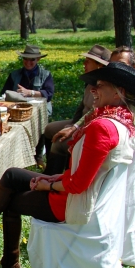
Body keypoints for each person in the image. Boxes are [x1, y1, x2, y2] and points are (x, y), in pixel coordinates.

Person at [0, 63, 135, 268]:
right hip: (77, 190)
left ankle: (11, 264)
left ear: (119, 92)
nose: (93, 90)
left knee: (11, 202)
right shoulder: (121, 120)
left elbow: (79, 184)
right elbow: (83, 174)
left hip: (74, 203)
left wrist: (49, 185)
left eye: (99, 86)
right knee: (11, 176)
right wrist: (54, 177)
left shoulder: (102, 127)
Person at [42, 45, 111, 174]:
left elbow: (96, 114)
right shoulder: (90, 81)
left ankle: (52, 176)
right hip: (79, 122)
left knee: (59, 141)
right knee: (49, 129)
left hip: (89, 127)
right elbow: (81, 107)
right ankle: (51, 166)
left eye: (88, 61)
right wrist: (72, 123)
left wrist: (74, 128)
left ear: (99, 65)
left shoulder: (106, 87)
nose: (84, 64)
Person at [0, 44, 55, 166]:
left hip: (40, 109)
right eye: (25, 59)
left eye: (32, 59)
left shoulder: (45, 74)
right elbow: (4, 92)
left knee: (41, 125)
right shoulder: (15, 74)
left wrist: (31, 93)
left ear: (38, 59)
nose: (28, 62)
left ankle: (38, 156)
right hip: (17, 110)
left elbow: (49, 94)